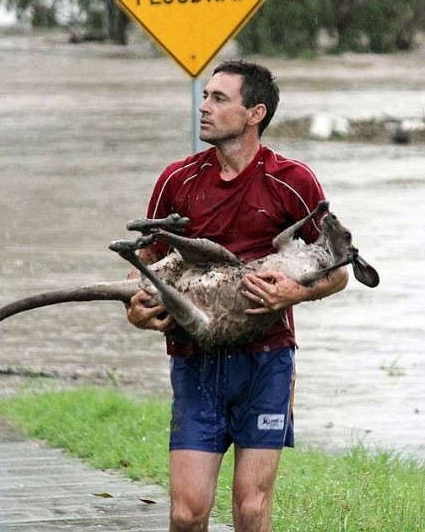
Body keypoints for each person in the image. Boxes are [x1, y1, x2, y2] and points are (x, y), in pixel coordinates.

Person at [125, 59, 348, 532]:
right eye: (205, 96)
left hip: (265, 361)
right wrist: (138, 310)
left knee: (251, 510)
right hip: (195, 360)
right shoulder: (177, 181)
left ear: (255, 114)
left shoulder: (293, 181)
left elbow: (339, 272)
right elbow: (142, 270)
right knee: (186, 514)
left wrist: (293, 292)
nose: (203, 107)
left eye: (218, 99)